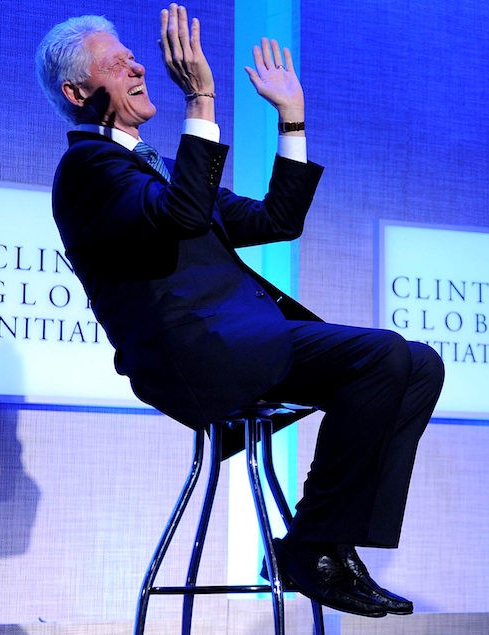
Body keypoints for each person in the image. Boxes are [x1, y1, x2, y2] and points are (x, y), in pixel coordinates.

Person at [36, 3, 444, 619]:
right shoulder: (88, 169)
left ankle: (320, 546)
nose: (140, 66)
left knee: (418, 362)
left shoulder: (164, 170)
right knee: (383, 353)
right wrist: (200, 101)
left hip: (244, 343)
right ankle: (313, 550)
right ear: (77, 93)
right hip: (195, 360)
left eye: (133, 56)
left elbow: (278, 221)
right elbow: (181, 216)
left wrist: (292, 118)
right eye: (118, 64)